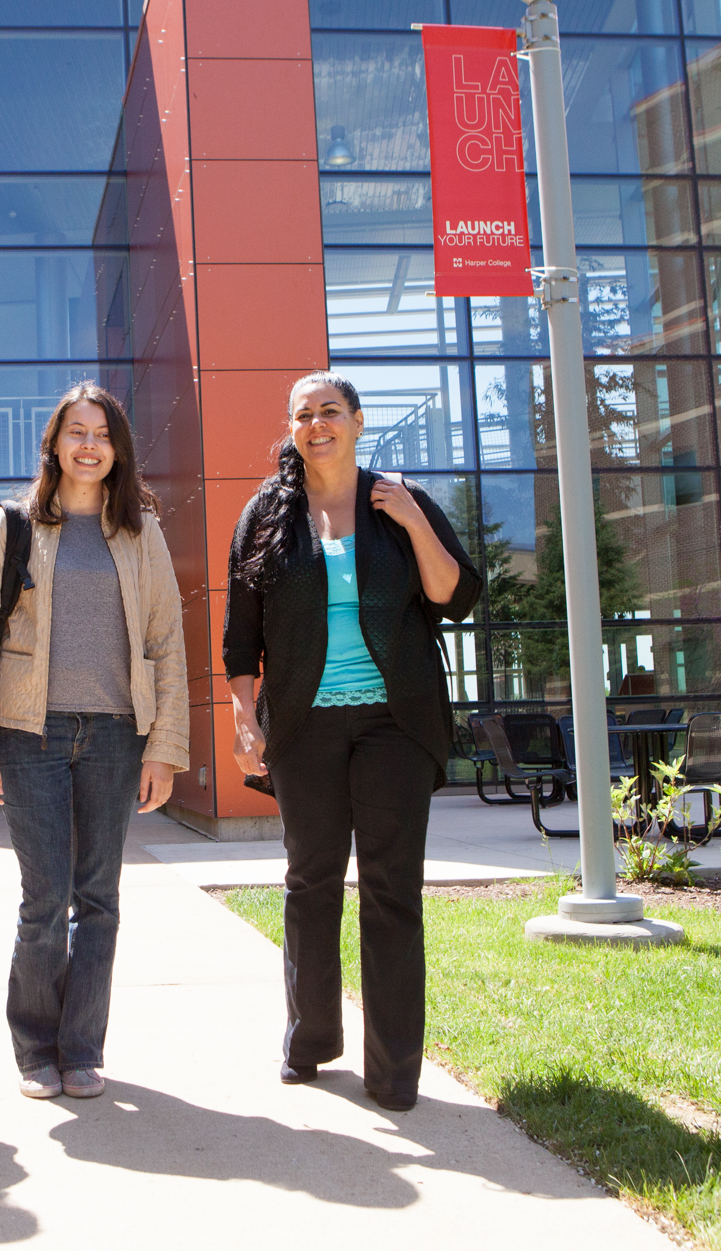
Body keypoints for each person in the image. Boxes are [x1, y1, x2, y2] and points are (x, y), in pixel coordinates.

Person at [223, 371, 481, 1112]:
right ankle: (309, 1040)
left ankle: (394, 1071)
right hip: (303, 726)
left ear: (358, 422)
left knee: (392, 889)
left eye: (330, 411)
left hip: (395, 722)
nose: (317, 425)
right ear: (292, 429)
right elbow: (241, 635)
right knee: (310, 882)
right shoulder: (267, 514)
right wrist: (244, 716)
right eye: (303, 415)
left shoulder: (399, 500)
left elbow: (454, 596)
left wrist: (413, 518)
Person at [0, 383, 190, 1102]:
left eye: (103, 434)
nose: (89, 445)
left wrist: (164, 747)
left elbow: (166, 642)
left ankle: (82, 1049)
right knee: (45, 897)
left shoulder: (142, 531)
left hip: (117, 732)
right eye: (76, 432)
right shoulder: (15, 524)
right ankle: (35, 1050)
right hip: (32, 733)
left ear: (118, 450)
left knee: (100, 898)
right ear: (54, 443)